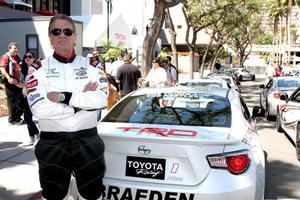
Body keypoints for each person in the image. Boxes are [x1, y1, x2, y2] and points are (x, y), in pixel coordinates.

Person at [26, 14, 108, 200]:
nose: (62, 35)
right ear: (50, 36)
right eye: (56, 31)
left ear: (74, 36)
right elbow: (39, 109)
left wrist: (64, 97)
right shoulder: (38, 68)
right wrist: (79, 105)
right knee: (53, 196)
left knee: (93, 195)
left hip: (87, 140)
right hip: (52, 143)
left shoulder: (91, 65)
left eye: (67, 31)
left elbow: (101, 99)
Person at [0, 42, 24, 125]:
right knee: (12, 100)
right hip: (10, 81)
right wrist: (9, 78)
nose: (16, 50)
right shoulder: (6, 57)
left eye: (17, 48)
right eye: (14, 48)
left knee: (19, 99)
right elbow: (2, 68)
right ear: (9, 49)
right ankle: (12, 119)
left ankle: (17, 117)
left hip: (17, 81)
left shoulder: (17, 57)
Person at [19, 51, 40, 146]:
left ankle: (37, 135)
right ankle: (32, 138)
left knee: (28, 118)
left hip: (34, 96)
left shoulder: (37, 69)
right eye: (26, 56)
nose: (28, 58)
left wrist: (25, 84)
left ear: (34, 58)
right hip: (25, 96)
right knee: (27, 118)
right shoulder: (22, 69)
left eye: (30, 56)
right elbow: (21, 83)